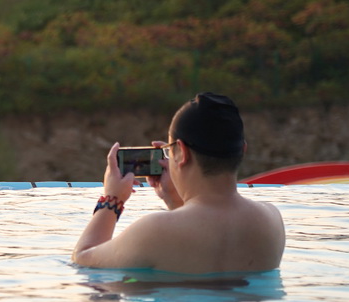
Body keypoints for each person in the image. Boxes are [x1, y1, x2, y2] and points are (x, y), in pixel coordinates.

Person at [72, 92, 285, 274]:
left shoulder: (154, 231)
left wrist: (112, 200)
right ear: (242, 150)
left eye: (169, 149)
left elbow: (83, 262)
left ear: (181, 153)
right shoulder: (272, 220)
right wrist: (174, 199)